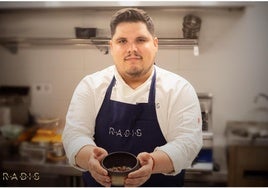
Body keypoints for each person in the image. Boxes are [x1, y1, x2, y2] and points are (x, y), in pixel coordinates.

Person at [62, 8, 202, 187]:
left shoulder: (179, 89)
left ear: (155, 44)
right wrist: (89, 156)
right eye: (122, 41)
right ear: (111, 46)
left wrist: (153, 163)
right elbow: (74, 135)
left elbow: (187, 143)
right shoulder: (90, 86)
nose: (132, 49)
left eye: (141, 40)